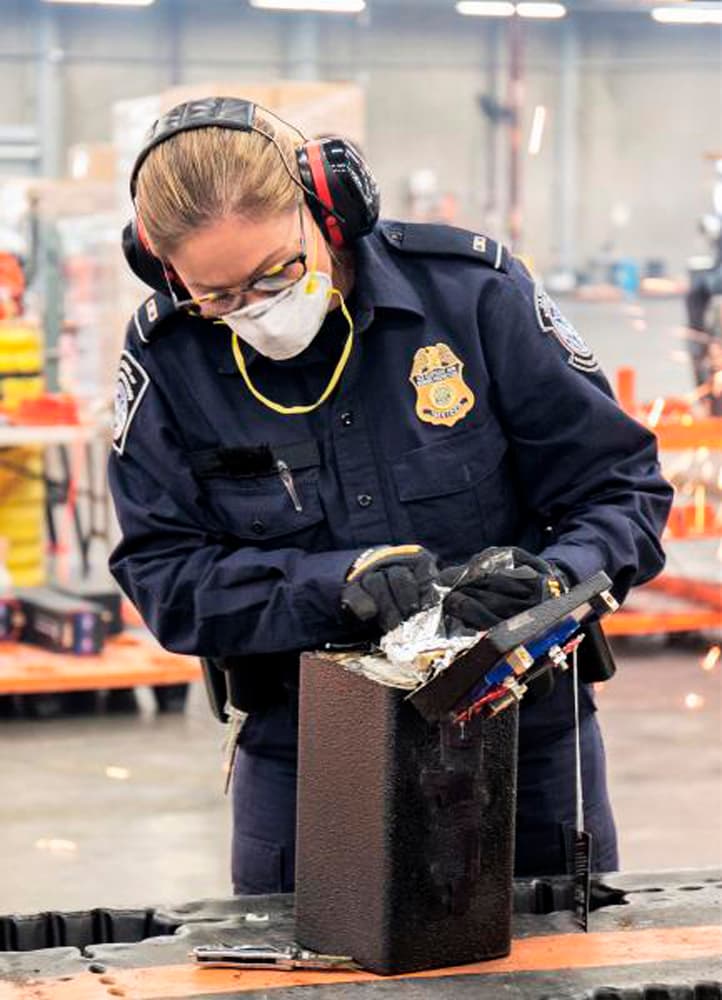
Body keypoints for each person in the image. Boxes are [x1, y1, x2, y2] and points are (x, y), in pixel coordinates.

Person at [109, 96, 673, 895]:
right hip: (308, 755)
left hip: (523, 739)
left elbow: (622, 491)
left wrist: (553, 584)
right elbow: (166, 578)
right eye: (219, 296)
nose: (256, 310)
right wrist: (330, 588)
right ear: (168, 273)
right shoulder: (171, 354)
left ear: (329, 209)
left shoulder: (471, 295)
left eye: (277, 272)